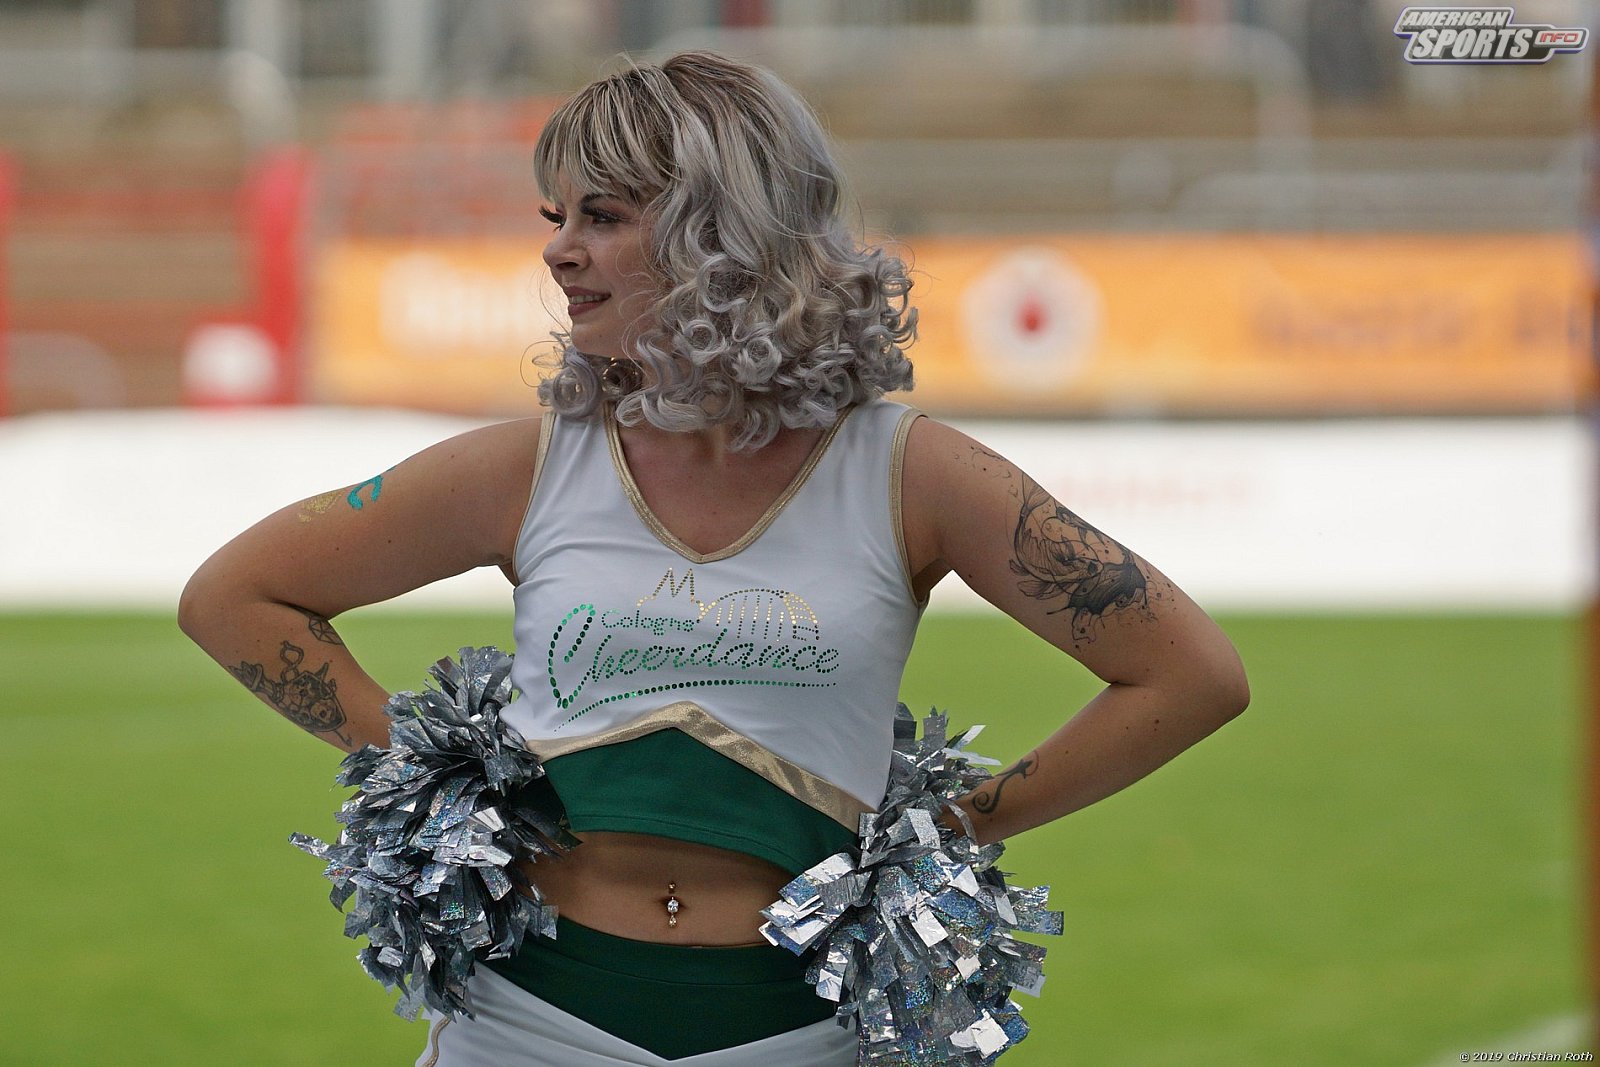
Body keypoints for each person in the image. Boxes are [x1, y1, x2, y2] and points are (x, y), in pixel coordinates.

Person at [178, 51, 1248, 1067]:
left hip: (801, 1032)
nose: (558, 251)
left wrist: (962, 824)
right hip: (526, 1022)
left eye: (602, 216)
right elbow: (238, 595)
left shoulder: (915, 474)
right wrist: (448, 785)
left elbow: (1188, 672)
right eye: (557, 218)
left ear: (723, 232)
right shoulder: (526, 467)